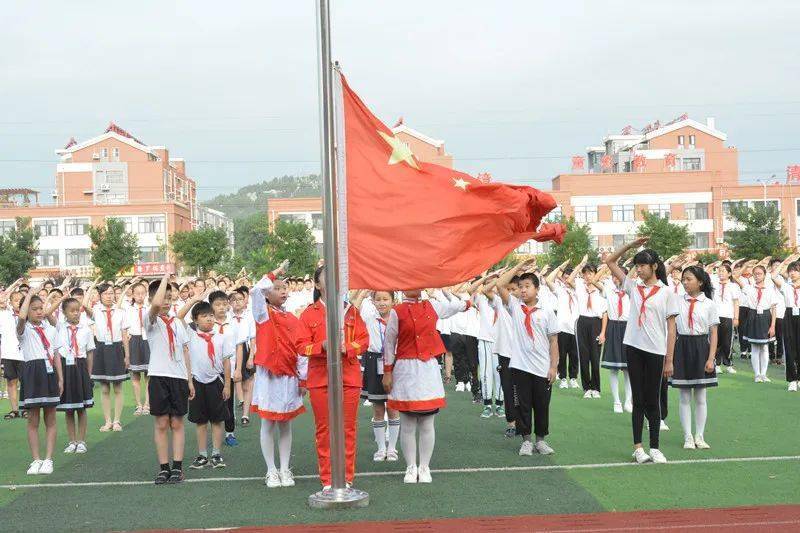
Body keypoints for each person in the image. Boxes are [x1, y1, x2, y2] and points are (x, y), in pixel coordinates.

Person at [382, 284, 472, 484]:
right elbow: (389, 343)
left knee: (427, 421)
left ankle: (424, 466)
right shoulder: (397, 312)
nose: (414, 288)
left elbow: (457, 306)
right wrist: (387, 372)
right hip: (406, 369)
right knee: (407, 422)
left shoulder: (433, 305)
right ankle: (410, 466)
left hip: (428, 369)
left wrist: (465, 299)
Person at [605, 238, 678, 464]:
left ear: (654, 266)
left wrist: (669, 360)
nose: (638, 269)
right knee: (637, 400)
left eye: (642, 265)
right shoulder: (632, 285)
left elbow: (672, 328)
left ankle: (654, 447)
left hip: (656, 350)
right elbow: (610, 261)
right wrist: (631, 245)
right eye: (637, 265)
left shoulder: (667, 292)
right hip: (634, 348)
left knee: (652, 400)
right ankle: (638, 448)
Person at [297, 265, 368, 490]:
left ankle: (346, 478)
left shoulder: (351, 311)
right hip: (320, 378)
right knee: (325, 429)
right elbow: (301, 346)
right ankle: (328, 480)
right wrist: (322, 346)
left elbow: (364, 340)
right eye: (328, 276)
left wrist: (348, 347)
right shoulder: (309, 313)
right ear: (317, 284)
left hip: (348, 376)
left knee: (347, 428)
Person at [250, 263, 307, 488]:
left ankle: (285, 469)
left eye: (285, 288)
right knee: (268, 423)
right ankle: (271, 470)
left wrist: (303, 378)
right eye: (277, 287)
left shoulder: (293, 319)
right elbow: (255, 290)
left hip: (289, 376)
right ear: (268, 292)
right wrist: (274, 272)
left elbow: (301, 350)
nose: (283, 291)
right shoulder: (262, 314)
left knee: (286, 424)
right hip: (269, 375)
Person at [496, 259, 558, 457]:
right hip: (520, 366)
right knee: (522, 405)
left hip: (542, 367)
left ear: (537, 289)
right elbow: (499, 285)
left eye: (527, 286)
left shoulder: (547, 311)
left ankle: (541, 440)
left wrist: (554, 367)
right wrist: (518, 266)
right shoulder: (515, 306)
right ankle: (526, 441)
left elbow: (553, 341)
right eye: (520, 287)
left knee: (541, 405)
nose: (523, 290)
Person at [146, 273, 193, 485]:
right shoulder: (151, 321)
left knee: (177, 422)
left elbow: (185, 352)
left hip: (178, 377)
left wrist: (189, 379)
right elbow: (155, 305)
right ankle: (163, 468)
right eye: (161, 297)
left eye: (169, 297)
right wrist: (164, 278)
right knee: (162, 422)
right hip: (158, 376)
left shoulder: (177, 323)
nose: (165, 301)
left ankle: (177, 467)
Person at [669, 265, 718, 450]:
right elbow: (672, 330)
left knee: (700, 396)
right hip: (682, 346)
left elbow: (713, 332)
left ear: (700, 282)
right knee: (683, 396)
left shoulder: (709, 304)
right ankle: (687, 436)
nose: (685, 282)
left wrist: (711, 358)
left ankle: (699, 435)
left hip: (701, 348)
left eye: (689, 279)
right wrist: (670, 357)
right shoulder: (677, 301)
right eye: (683, 279)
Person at [17, 285, 63, 475]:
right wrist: (28, 295)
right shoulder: (23, 329)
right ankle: (36, 460)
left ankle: (48, 459)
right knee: (33, 419)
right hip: (32, 372)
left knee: (50, 417)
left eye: (40, 308)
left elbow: (57, 354)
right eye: (34, 309)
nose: (38, 311)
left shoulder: (50, 329)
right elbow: (21, 318)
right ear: (27, 311)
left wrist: (61, 379)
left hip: (49, 371)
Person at [182, 301, 233, 470]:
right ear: (195, 320)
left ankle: (216, 454)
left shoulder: (221, 337)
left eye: (211, 315)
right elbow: (179, 317)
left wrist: (227, 385)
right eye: (204, 316)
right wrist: (194, 299)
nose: (209, 319)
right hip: (197, 382)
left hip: (216, 381)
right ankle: (203, 455)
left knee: (217, 420)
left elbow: (226, 362)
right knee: (200, 421)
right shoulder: (190, 334)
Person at [355, 290, 401, 461]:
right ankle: (381, 449)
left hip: (394, 361)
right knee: (378, 407)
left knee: (393, 406)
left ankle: (392, 449)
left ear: (393, 300)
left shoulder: (398, 318)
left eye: (385, 299)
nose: (382, 303)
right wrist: (362, 293)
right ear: (372, 301)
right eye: (378, 299)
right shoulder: (369, 317)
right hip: (374, 361)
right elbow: (353, 310)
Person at [83, 281, 129, 432]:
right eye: (105, 294)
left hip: (116, 348)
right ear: (100, 296)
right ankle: (107, 421)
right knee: (104, 388)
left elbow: (124, 335)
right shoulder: (96, 310)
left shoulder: (121, 311)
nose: (109, 296)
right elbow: (84, 305)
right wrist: (93, 285)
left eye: (111, 293)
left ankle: (117, 421)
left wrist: (127, 355)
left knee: (117, 387)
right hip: (101, 348)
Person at [53, 297, 95, 454]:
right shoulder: (59, 327)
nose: (76, 313)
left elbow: (90, 353)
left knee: (82, 407)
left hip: (80, 366)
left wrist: (89, 374)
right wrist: (61, 298)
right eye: (72, 310)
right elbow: (47, 313)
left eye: (78, 310)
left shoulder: (86, 329)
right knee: (69, 408)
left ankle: (82, 441)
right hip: (65, 367)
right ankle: (72, 441)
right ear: (64, 312)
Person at [570, 259, 608, 399]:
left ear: (595, 274)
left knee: (595, 356)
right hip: (582, 322)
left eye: (590, 273)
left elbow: (605, 313)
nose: (587, 276)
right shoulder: (580, 288)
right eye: (585, 274)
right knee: (584, 357)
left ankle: (596, 388)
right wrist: (580, 265)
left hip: (596, 323)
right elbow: (569, 280)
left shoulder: (601, 290)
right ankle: (587, 387)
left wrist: (603, 332)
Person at [598, 266, 632, 413]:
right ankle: (616, 401)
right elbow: (594, 280)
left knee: (628, 369)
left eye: (619, 276)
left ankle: (628, 401)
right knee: (613, 368)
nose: (615, 278)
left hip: (628, 328)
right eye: (614, 276)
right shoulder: (608, 291)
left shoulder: (632, 292)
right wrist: (603, 332)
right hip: (613, 327)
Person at [737, 264, 777, 382]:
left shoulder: (770, 289)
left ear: (765, 275)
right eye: (755, 274)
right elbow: (735, 276)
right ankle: (757, 374)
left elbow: (774, 308)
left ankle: (764, 374)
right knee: (755, 347)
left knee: (764, 347)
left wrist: (773, 325)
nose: (757, 276)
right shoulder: (749, 288)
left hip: (765, 317)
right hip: (753, 316)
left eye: (760, 273)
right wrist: (745, 266)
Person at [545, 262, 579, 390]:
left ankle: (573, 378)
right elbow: (548, 280)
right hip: (562, 326)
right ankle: (563, 377)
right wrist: (560, 267)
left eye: (569, 277)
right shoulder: (560, 290)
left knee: (575, 355)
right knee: (562, 354)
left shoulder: (578, 291)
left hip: (575, 327)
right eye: (565, 277)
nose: (567, 279)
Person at [769, 258, 800, 391]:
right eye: (790, 271)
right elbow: (773, 275)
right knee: (789, 347)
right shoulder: (786, 286)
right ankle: (792, 380)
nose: (792, 273)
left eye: (795, 271)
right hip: (789, 316)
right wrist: (786, 261)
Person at [229, 287, 256, 426]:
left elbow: (253, 339)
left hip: (245, 349)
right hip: (230, 350)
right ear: (230, 303)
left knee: (248, 384)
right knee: (232, 383)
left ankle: (245, 415)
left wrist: (251, 357)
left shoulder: (249, 315)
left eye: (240, 299)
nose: (237, 302)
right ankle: (231, 414)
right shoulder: (227, 316)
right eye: (234, 300)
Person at [125, 282, 151, 416]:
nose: (140, 296)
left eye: (143, 293)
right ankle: (138, 405)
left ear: (146, 294)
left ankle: (147, 404)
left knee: (148, 375)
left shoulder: (150, 308)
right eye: (137, 293)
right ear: (133, 295)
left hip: (147, 341)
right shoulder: (128, 310)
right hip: (134, 340)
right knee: (135, 374)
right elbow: (125, 330)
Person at [710, 263, 739, 374]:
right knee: (715, 340)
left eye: (723, 271)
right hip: (715, 316)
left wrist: (736, 317)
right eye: (719, 270)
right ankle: (716, 363)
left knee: (727, 341)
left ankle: (728, 363)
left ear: (729, 274)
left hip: (728, 316)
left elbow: (736, 302)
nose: (721, 273)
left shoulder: (733, 286)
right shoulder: (713, 284)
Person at [1, 279, 24, 419]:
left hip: (24, 354)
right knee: (11, 381)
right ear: (10, 302)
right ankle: (14, 409)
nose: (18, 303)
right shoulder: (3, 314)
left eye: (21, 300)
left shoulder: (27, 315)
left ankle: (26, 407)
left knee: (25, 382)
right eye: (15, 300)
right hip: (9, 353)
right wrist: (14, 284)